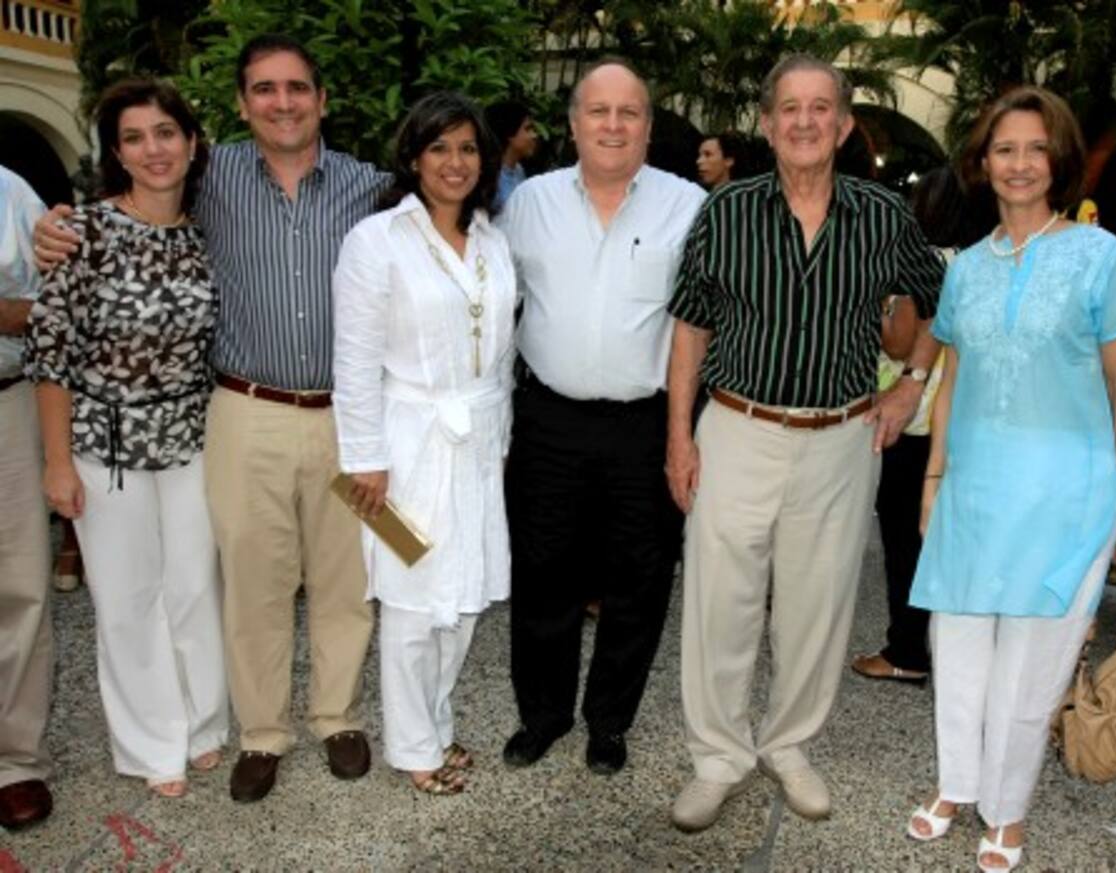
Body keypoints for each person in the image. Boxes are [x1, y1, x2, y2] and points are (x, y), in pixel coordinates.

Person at [33, 33, 391, 803]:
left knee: (343, 578)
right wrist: (53, 226)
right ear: (239, 106)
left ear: (322, 100)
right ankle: (260, 731)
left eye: (297, 87)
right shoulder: (214, 172)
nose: (282, 102)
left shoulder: (372, 187)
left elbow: (449, 197)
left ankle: (337, 715)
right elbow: (72, 307)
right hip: (243, 411)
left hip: (346, 418)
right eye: (264, 89)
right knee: (249, 582)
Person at [665, 54, 946, 832]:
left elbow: (939, 298)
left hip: (840, 438)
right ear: (766, 122)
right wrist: (678, 441)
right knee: (720, 603)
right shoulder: (727, 212)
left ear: (844, 124)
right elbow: (689, 328)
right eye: (789, 107)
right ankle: (717, 756)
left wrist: (910, 384)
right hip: (736, 429)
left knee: (817, 607)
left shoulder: (883, 214)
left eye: (821, 108)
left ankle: (789, 745)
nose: (804, 121)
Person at [905, 86, 1116, 872]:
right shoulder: (968, 269)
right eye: (1004, 149)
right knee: (960, 644)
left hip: (1067, 495)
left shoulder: (1100, 256)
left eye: (1035, 148)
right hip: (974, 490)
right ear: (983, 162)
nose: (1019, 163)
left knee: (1033, 661)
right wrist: (933, 478)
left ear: (1060, 162)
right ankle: (955, 783)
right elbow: (951, 378)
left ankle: (1006, 811)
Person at [498, 58, 706, 776]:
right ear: (573, 123)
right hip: (548, 419)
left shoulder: (688, 205)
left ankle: (608, 721)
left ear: (649, 126)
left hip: (644, 425)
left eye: (629, 112)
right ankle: (544, 714)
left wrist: (684, 433)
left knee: (639, 582)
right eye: (598, 111)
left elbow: (700, 322)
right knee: (542, 572)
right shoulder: (529, 204)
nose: (613, 125)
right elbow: (497, 303)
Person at [25, 79, 228, 799]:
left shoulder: (210, 230)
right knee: (127, 597)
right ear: (117, 152)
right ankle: (152, 745)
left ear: (192, 141)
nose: (154, 149)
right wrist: (56, 463)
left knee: (196, 587)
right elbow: (50, 355)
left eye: (166, 132)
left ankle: (203, 724)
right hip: (104, 446)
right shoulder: (82, 233)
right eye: (135, 137)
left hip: (193, 438)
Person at [332, 92, 515, 795]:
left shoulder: (495, 242)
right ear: (412, 156)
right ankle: (413, 748)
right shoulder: (375, 240)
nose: (454, 162)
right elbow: (352, 360)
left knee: (463, 596)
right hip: (399, 453)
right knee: (410, 599)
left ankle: (436, 725)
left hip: (475, 449)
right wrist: (362, 464)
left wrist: (499, 440)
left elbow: (500, 357)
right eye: (439, 147)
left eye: (468, 148)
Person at [851, 165, 976, 686]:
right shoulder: (974, 264)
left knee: (905, 541)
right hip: (953, 420)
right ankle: (929, 646)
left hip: (911, 419)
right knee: (931, 540)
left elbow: (899, 343)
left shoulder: (915, 265)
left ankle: (905, 648)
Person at [0, 165, 54, 829]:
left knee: (20, 588)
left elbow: (51, 302)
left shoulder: (10, 192)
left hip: (7, 403)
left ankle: (15, 761)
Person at [485, 99, 537, 210]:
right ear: (509, 133)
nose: (534, 135)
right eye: (527, 129)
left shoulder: (518, 170)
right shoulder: (491, 178)